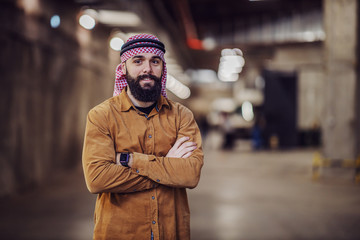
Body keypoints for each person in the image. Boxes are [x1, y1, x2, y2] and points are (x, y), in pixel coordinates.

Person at [82, 34, 204, 240]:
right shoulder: (101, 116)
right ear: (123, 68)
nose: (147, 69)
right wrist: (167, 168)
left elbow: (190, 175)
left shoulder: (182, 116)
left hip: (171, 232)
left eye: (154, 61)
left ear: (162, 69)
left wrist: (130, 160)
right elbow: (97, 179)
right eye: (138, 61)